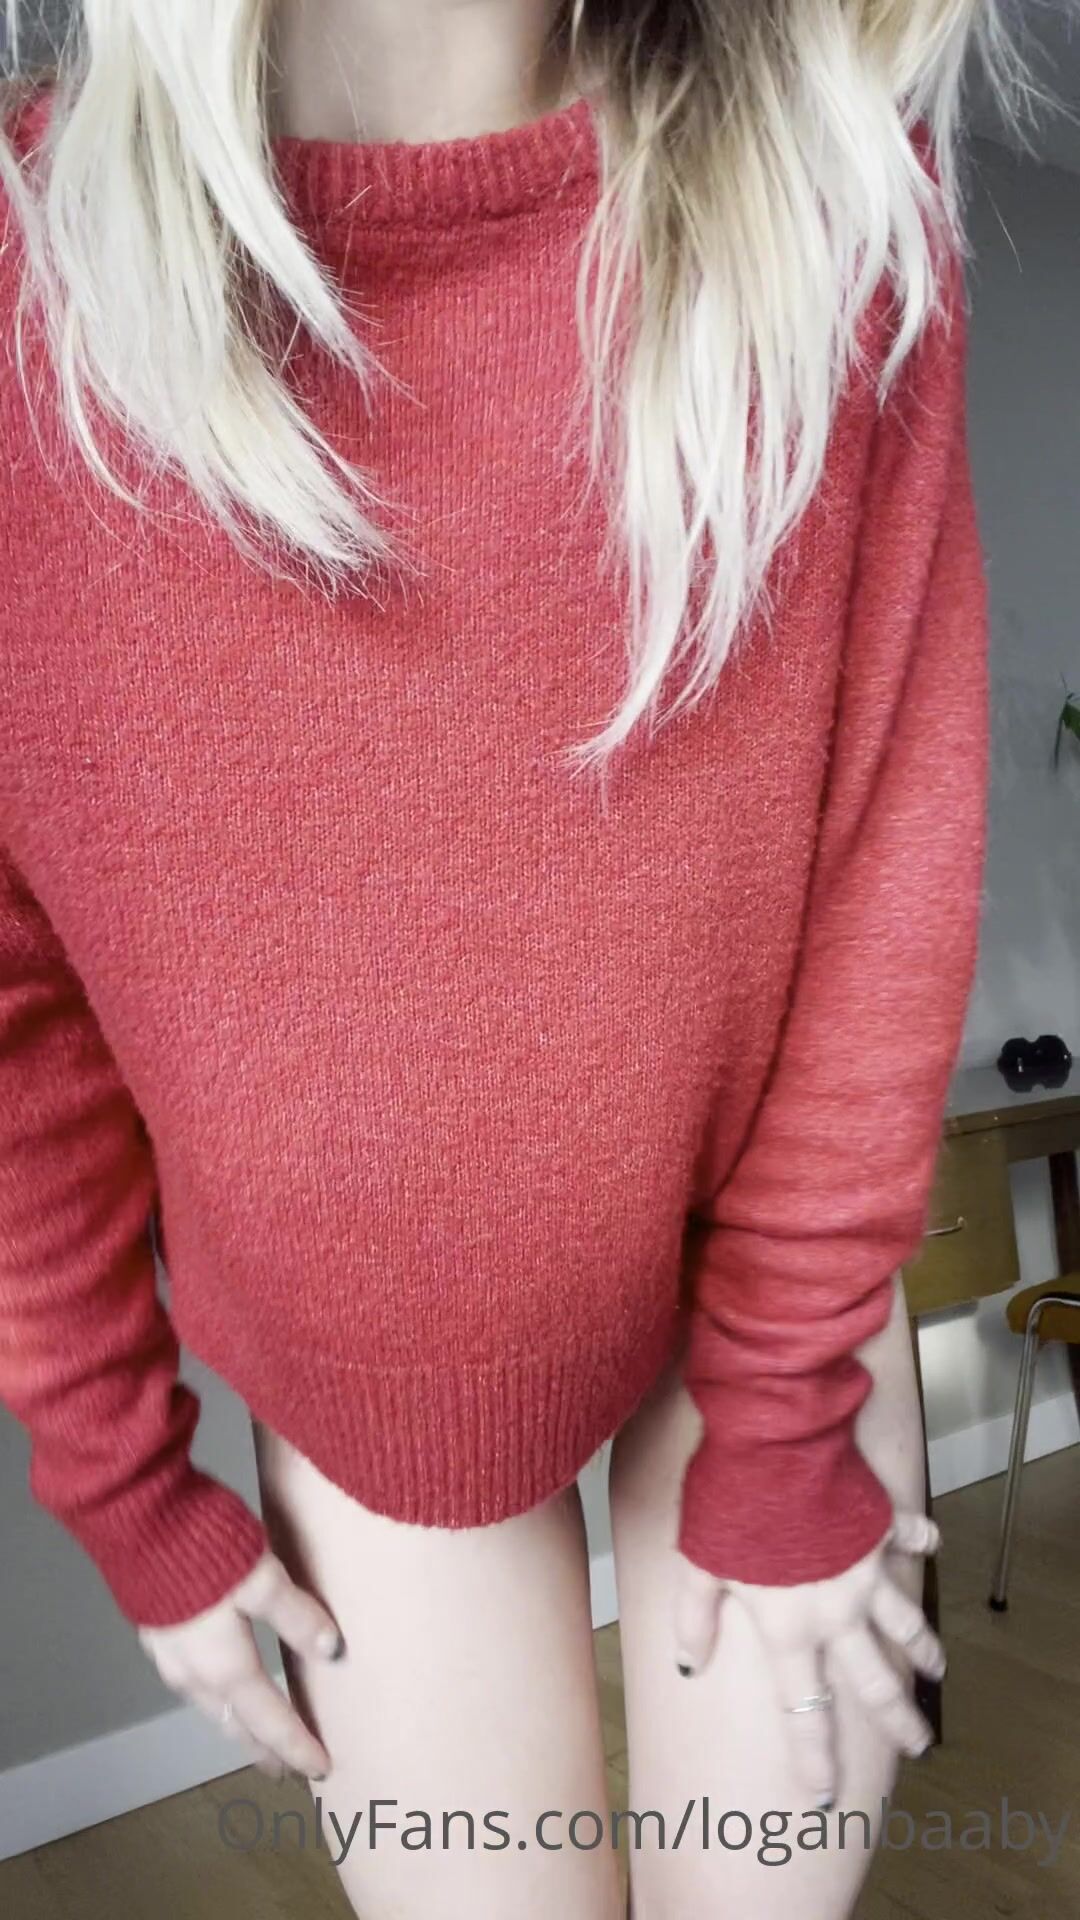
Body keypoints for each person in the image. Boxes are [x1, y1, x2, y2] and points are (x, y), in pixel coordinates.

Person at [0, 2, 1026, 1914]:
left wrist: (791, 1417)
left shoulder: (833, 211)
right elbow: (12, 1007)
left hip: (762, 1332)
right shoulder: (25, 284)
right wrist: (124, 1483)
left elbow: (886, 869)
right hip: (373, 1395)